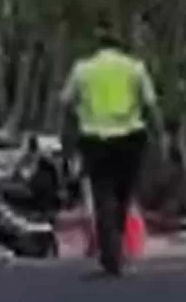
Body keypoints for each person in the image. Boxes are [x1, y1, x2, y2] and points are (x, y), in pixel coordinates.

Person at [60, 20, 164, 276]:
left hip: (94, 140)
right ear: (122, 46)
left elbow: (65, 105)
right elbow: (151, 106)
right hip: (130, 138)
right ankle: (113, 251)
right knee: (123, 196)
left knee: (102, 194)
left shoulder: (82, 70)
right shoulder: (134, 68)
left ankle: (111, 252)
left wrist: (67, 139)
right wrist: (160, 136)